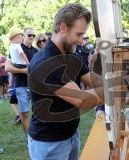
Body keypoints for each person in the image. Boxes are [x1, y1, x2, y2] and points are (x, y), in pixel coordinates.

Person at [27, 4, 104, 160]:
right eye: (79, 34)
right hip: (49, 143)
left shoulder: (71, 56)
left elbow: (96, 81)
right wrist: (123, 88)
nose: (82, 41)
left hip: (70, 134)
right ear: (63, 28)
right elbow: (81, 99)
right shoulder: (46, 63)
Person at [5, 27, 38, 136]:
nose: (32, 37)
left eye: (33, 35)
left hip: (35, 86)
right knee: (24, 114)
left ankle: (37, 135)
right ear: (23, 35)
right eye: (29, 35)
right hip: (21, 86)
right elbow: (7, 68)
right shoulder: (15, 47)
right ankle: (29, 138)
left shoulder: (36, 51)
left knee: (38, 113)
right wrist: (24, 70)